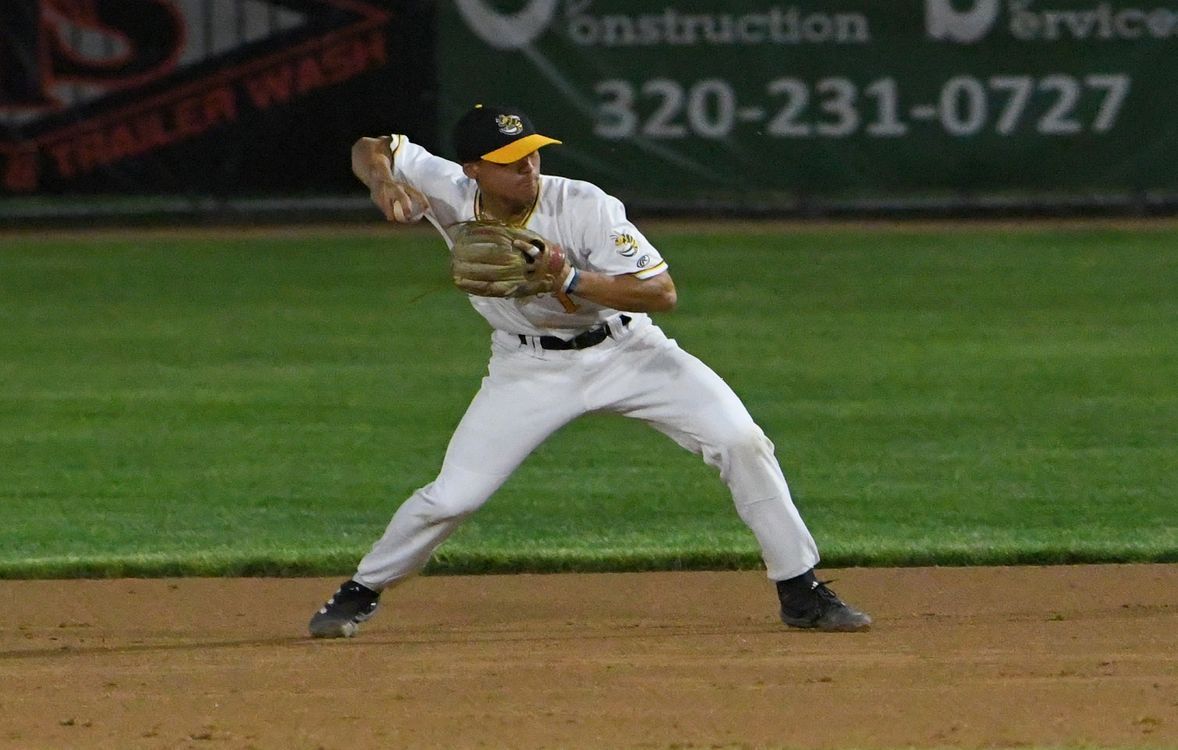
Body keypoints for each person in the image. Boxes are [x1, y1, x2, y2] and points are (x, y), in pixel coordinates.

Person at [308, 103, 871, 638]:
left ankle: (801, 590)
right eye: (510, 160)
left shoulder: (584, 204)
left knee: (742, 442)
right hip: (527, 368)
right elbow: (370, 146)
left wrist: (569, 279)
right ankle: (361, 590)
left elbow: (661, 293)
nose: (528, 166)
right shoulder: (447, 186)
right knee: (454, 498)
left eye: (532, 152)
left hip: (630, 354)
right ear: (473, 169)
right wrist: (382, 181)